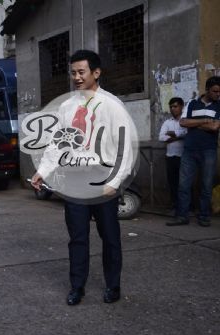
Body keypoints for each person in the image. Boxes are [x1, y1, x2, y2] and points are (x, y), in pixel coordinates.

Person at [31, 49, 136, 306]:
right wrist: (42, 171)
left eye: (81, 72)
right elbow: (58, 143)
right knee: (77, 238)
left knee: (109, 236)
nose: (76, 77)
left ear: (96, 73)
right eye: (73, 73)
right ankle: (77, 287)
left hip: (103, 177)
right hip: (76, 180)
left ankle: (113, 285)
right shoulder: (67, 107)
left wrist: (114, 183)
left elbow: (125, 147)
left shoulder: (112, 105)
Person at [167, 76, 220, 227]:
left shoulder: (219, 105)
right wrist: (204, 121)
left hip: (209, 150)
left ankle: (204, 216)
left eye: (219, 92)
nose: (218, 94)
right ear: (207, 90)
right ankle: (182, 216)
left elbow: (215, 127)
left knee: (206, 185)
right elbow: (183, 122)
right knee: (183, 185)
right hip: (189, 150)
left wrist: (193, 124)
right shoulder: (192, 103)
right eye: (215, 91)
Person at [158, 97, 187, 209]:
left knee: (184, 183)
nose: (172, 109)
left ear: (181, 107)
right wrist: (178, 137)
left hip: (184, 157)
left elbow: (186, 133)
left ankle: (187, 206)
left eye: (175, 106)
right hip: (170, 156)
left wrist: (173, 134)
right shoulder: (167, 122)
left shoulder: (186, 122)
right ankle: (175, 205)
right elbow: (161, 137)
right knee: (173, 182)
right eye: (171, 107)